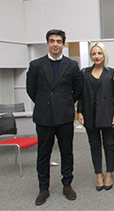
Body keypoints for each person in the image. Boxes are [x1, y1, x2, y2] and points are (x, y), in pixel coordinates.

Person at [26, 29, 83, 205]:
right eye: (52, 41)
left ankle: (67, 184)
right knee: (43, 154)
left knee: (67, 152)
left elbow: (78, 89)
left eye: (59, 41)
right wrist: (45, 102)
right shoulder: (36, 65)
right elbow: (31, 90)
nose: (55, 44)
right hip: (44, 116)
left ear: (63, 44)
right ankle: (43, 189)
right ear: (48, 43)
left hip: (65, 116)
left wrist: (64, 102)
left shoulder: (72, 65)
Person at [77, 42, 114, 191]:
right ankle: (98, 175)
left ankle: (109, 174)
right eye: (94, 54)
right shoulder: (84, 72)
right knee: (94, 145)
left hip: (107, 113)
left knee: (108, 145)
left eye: (99, 53)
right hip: (90, 114)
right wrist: (79, 111)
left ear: (104, 55)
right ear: (91, 56)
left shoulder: (112, 73)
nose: (97, 56)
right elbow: (80, 95)